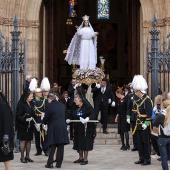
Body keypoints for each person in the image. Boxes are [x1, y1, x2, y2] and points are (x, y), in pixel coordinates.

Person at [66, 94, 96, 165]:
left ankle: (85, 159)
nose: (75, 102)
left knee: (85, 144)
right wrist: (69, 120)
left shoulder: (87, 107)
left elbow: (93, 114)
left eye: (76, 100)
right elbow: (73, 115)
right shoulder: (76, 107)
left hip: (86, 129)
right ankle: (80, 157)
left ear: (80, 100)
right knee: (78, 143)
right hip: (77, 129)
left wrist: (87, 119)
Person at [43, 93, 69, 168]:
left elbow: (47, 117)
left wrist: (43, 122)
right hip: (62, 127)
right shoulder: (62, 105)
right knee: (60, 146)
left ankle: (50, 163)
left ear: (49, 99)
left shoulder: (49, 105)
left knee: (52, 145)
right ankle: (59, 164)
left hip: (53, 127)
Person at [131, 75, 153, 166]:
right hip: (138, 123)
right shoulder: (138, 99)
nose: (135, 92)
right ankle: (141, 158)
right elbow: (135, 110)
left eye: (136, 91)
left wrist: (146, 123)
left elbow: (149, 114)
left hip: (144, 124)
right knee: (139, 142)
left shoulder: (147, 99)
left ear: (139, 91)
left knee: (145, 142)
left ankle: (147, 159)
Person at [16, 91, 34, 163]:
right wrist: (25, 119)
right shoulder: (22, 104)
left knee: (29, 140)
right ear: (26, 97)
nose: (31, 98)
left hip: (30, 125)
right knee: (23, 140)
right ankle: (22, 157)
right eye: (30, 97)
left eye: (32, 97)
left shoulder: (32, 104)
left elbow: (34, 113)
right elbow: (18, 115)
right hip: (23, 125)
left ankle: (27, 156)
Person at [153, 100, 170, 170]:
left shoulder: (161, 115)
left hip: (162, 138)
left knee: (164, 157)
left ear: (164, 106)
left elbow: (154, 124)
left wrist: (157, 114)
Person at [0, 91, 14, 170]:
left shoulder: (3, 106)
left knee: (5, 156)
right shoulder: (4, 105)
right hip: (4, 135)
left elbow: (7, 121)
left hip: (4, 135)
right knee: (5, 157)